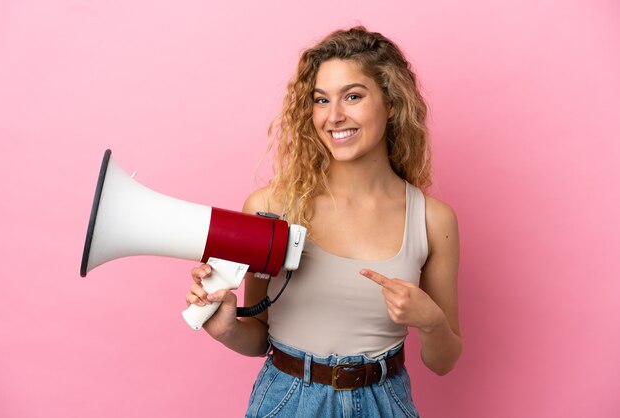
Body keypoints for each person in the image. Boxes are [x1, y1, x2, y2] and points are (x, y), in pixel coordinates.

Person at [185, 26, 462, 417]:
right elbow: (258, 335)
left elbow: (443, 360)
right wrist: (227, 327)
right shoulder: (270, 208)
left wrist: (430, 321)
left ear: (392, 103)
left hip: (386, 402)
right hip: (288, 400)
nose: (334, 116)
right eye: (321, 99)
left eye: (353, 96)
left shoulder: (433, 220)